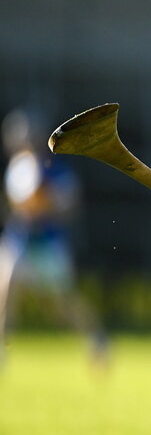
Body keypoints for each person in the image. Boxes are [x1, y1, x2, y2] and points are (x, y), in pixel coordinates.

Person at [0, 109, 107, 367]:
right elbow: (17, 206)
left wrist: (45, 205)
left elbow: (70, 206)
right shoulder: (17, 168)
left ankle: (98, 339)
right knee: (6, 287)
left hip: (48, 242)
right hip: (20, 240)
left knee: (61, 304)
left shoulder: (57, 171)